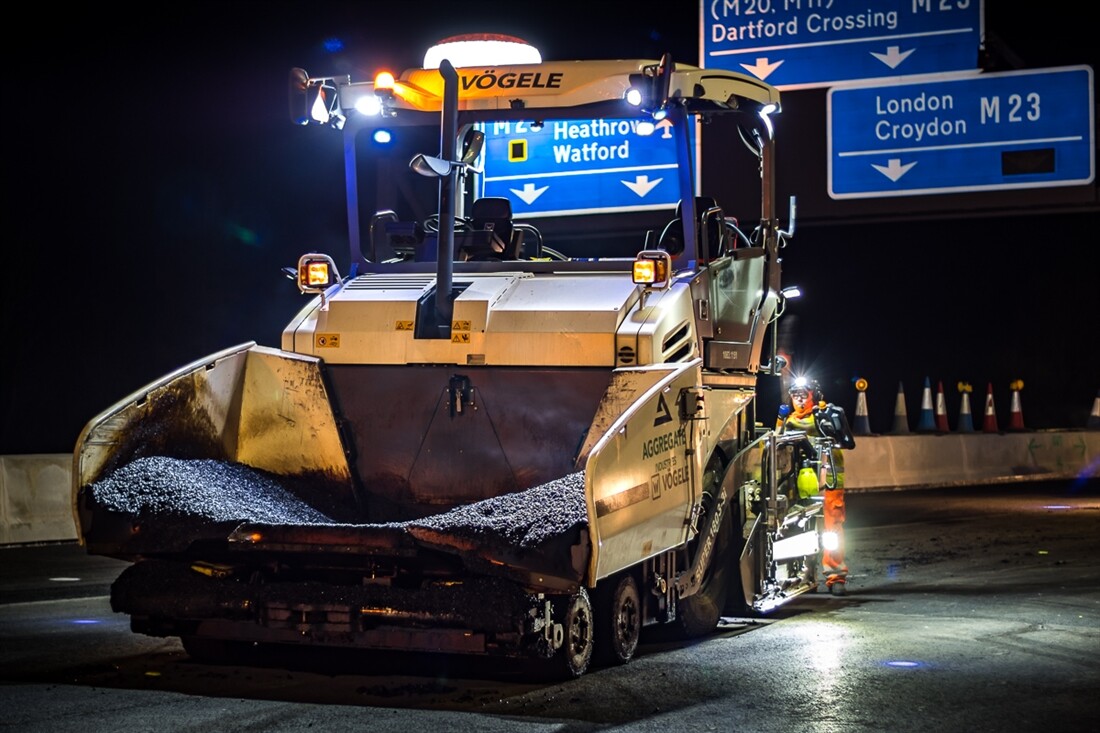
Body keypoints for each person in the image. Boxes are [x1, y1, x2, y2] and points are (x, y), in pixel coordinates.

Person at [780, 376, 849, 596]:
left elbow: (843, 440)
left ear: (814, 395)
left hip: (829, 480)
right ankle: (806, 575)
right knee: (801, 526)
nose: (799, 400)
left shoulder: (824, 415)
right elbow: (777, 441)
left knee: (832, 527)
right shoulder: (788, 420)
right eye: (795, 395)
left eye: (804, 395)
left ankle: (835, 574)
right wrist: (780, 422)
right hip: (801, 481)